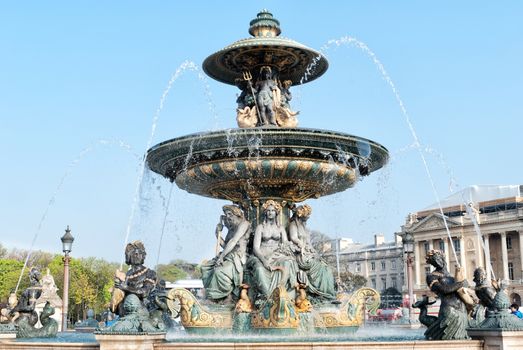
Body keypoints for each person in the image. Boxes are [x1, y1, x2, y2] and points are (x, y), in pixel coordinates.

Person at [246, 200, 298, 300]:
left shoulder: (281, 228)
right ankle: (269, 296)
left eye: (273, 210)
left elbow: (285, 243)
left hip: (277, 255)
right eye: (268, 210)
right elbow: (256, 248)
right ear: (265, 212)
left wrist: (295, 245)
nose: (270, 212)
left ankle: (280, 290)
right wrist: (264, 260)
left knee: (288, 262)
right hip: (262, 256)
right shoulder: (260, 227)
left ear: (276, 213)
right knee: (259, 269)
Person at [201, 205, 251, 302]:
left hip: (238, 256)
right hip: (228, 255)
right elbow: (226, 246)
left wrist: (221, 257)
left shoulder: (244, 224)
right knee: (206, 268)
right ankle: (214, 297)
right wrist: (217, 235)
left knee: (219, 272)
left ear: (237, 213)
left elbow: (234, 241)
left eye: (230, 214)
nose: (228, 216)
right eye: (226, 214)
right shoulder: (231, 229)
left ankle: (225, 296)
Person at [288, 204, 336, 301]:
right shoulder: (293, 225)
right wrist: (300, 243)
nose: (307, 219)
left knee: (326, 268)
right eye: (306, 217)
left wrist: (315, 254)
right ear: (300, 215)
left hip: (307, 253)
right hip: (300, 255)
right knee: (321, 269)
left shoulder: (303, 227)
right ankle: (320, 294)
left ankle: (327, 294)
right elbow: (293, 237)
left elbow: (309, 243)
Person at [423, 250, 469, 340]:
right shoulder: (431, 276)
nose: (437, 261)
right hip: (450, 311)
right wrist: (460, 283)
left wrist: (464, 282)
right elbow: (444, 290)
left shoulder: (452, 276)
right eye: (434, 260)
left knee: (462, 339)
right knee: (448, 338)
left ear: (443, 258)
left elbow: (463, 289)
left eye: (438, 258)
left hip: (462, 310)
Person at [112, 241, 158, 315]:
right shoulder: (126, 275)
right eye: (134, 254)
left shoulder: (150, 273)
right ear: (129, 256)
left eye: (139, 253)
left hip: (142, 312)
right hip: (125, 312)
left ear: (143, 256)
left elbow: (145, 292)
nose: (136, 255)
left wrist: (126, 288)